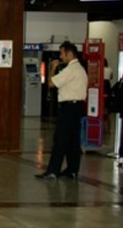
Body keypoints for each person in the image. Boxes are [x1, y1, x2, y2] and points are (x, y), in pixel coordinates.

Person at [36, 41, 88, 180]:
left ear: (69, 54)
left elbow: (51, 83)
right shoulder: (81, 69)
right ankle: (72, 169)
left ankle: (53, 170)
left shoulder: (70, 70)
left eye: (62, 53)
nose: (61, 56)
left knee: (60, 139)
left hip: (68, 108)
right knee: (73, 140)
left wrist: (52, 68)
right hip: (77, 107)